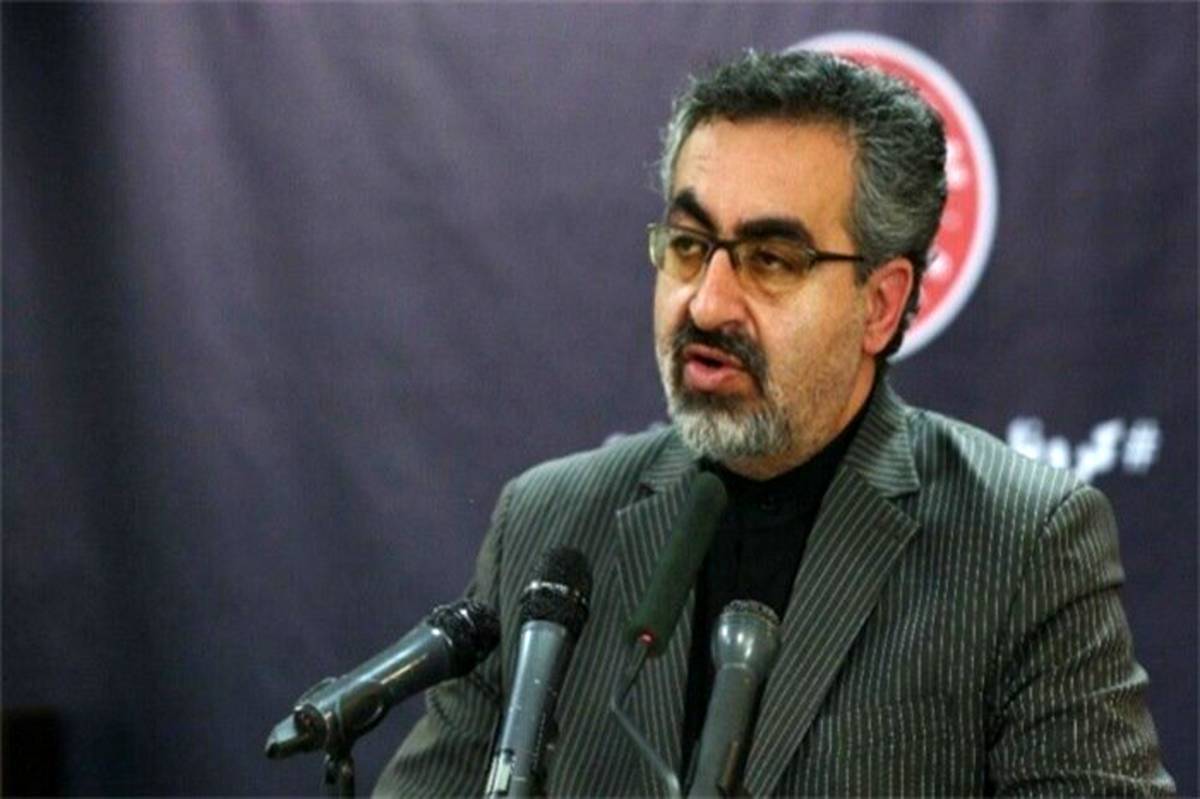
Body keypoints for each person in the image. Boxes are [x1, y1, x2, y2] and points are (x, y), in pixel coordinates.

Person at [374, 49, 1174, 796]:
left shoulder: (1023, 544)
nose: (708, 303)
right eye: (689, 245)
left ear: (880, 303)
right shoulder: (549, 523)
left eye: (770, 260)